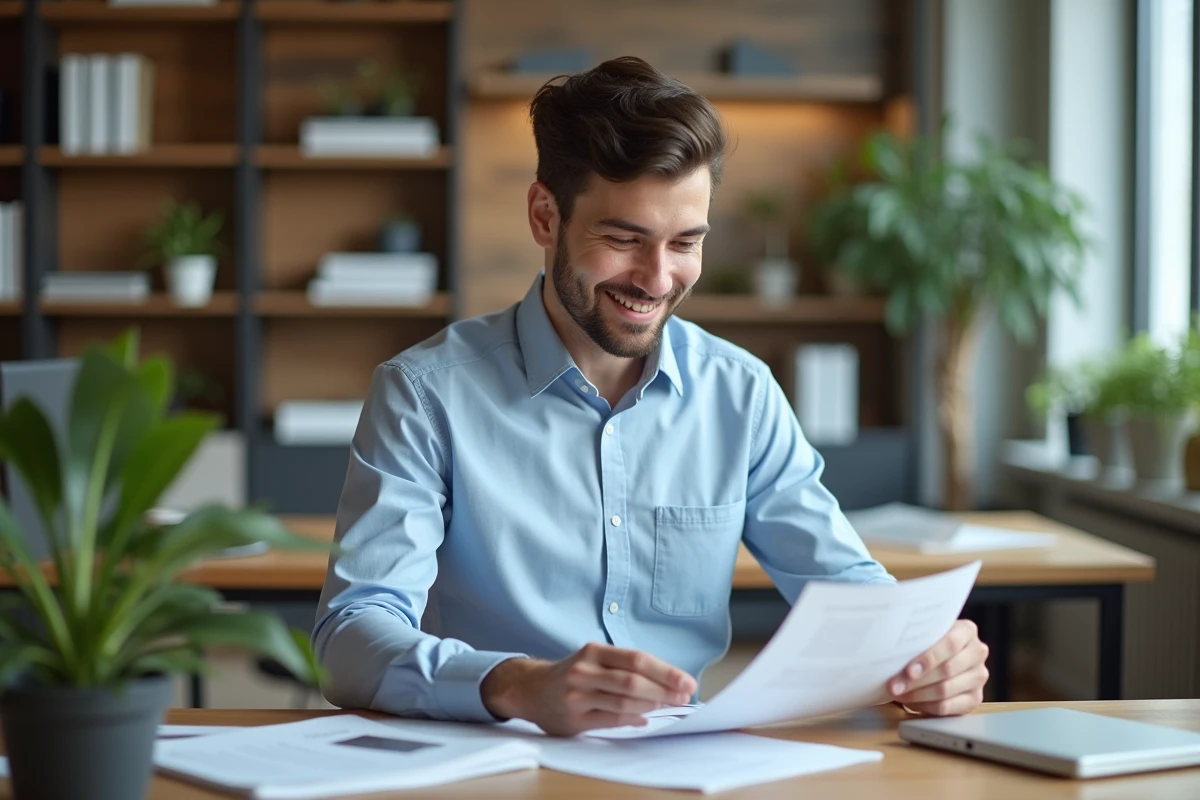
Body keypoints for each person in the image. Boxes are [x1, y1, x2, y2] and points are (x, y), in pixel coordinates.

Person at [313, 56, 989, 737]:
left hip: (683, 766)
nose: (658, 279)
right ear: (545, 217)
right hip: (491, 757)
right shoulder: (425, 394)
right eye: (623, 239)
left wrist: (923, 654)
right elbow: (349, 636)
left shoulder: (740, 394)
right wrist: (519, 684)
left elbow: (848, 591)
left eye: (685, 243)